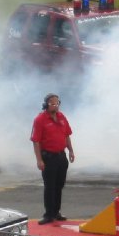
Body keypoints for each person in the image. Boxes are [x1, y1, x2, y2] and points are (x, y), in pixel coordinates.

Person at [31, 93, 74, 225]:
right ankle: (48, 214)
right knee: (50, 187)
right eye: (52, 103)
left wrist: (71, 150)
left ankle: (56, 212)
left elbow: (67, 135)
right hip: (48, 157)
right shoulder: (40, 120)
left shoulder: (62, 117)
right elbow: (36, 141)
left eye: (57, 103)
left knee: (59, 185)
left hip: (61, 156)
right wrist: (39, 160)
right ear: (46, 105)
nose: (55, 106)